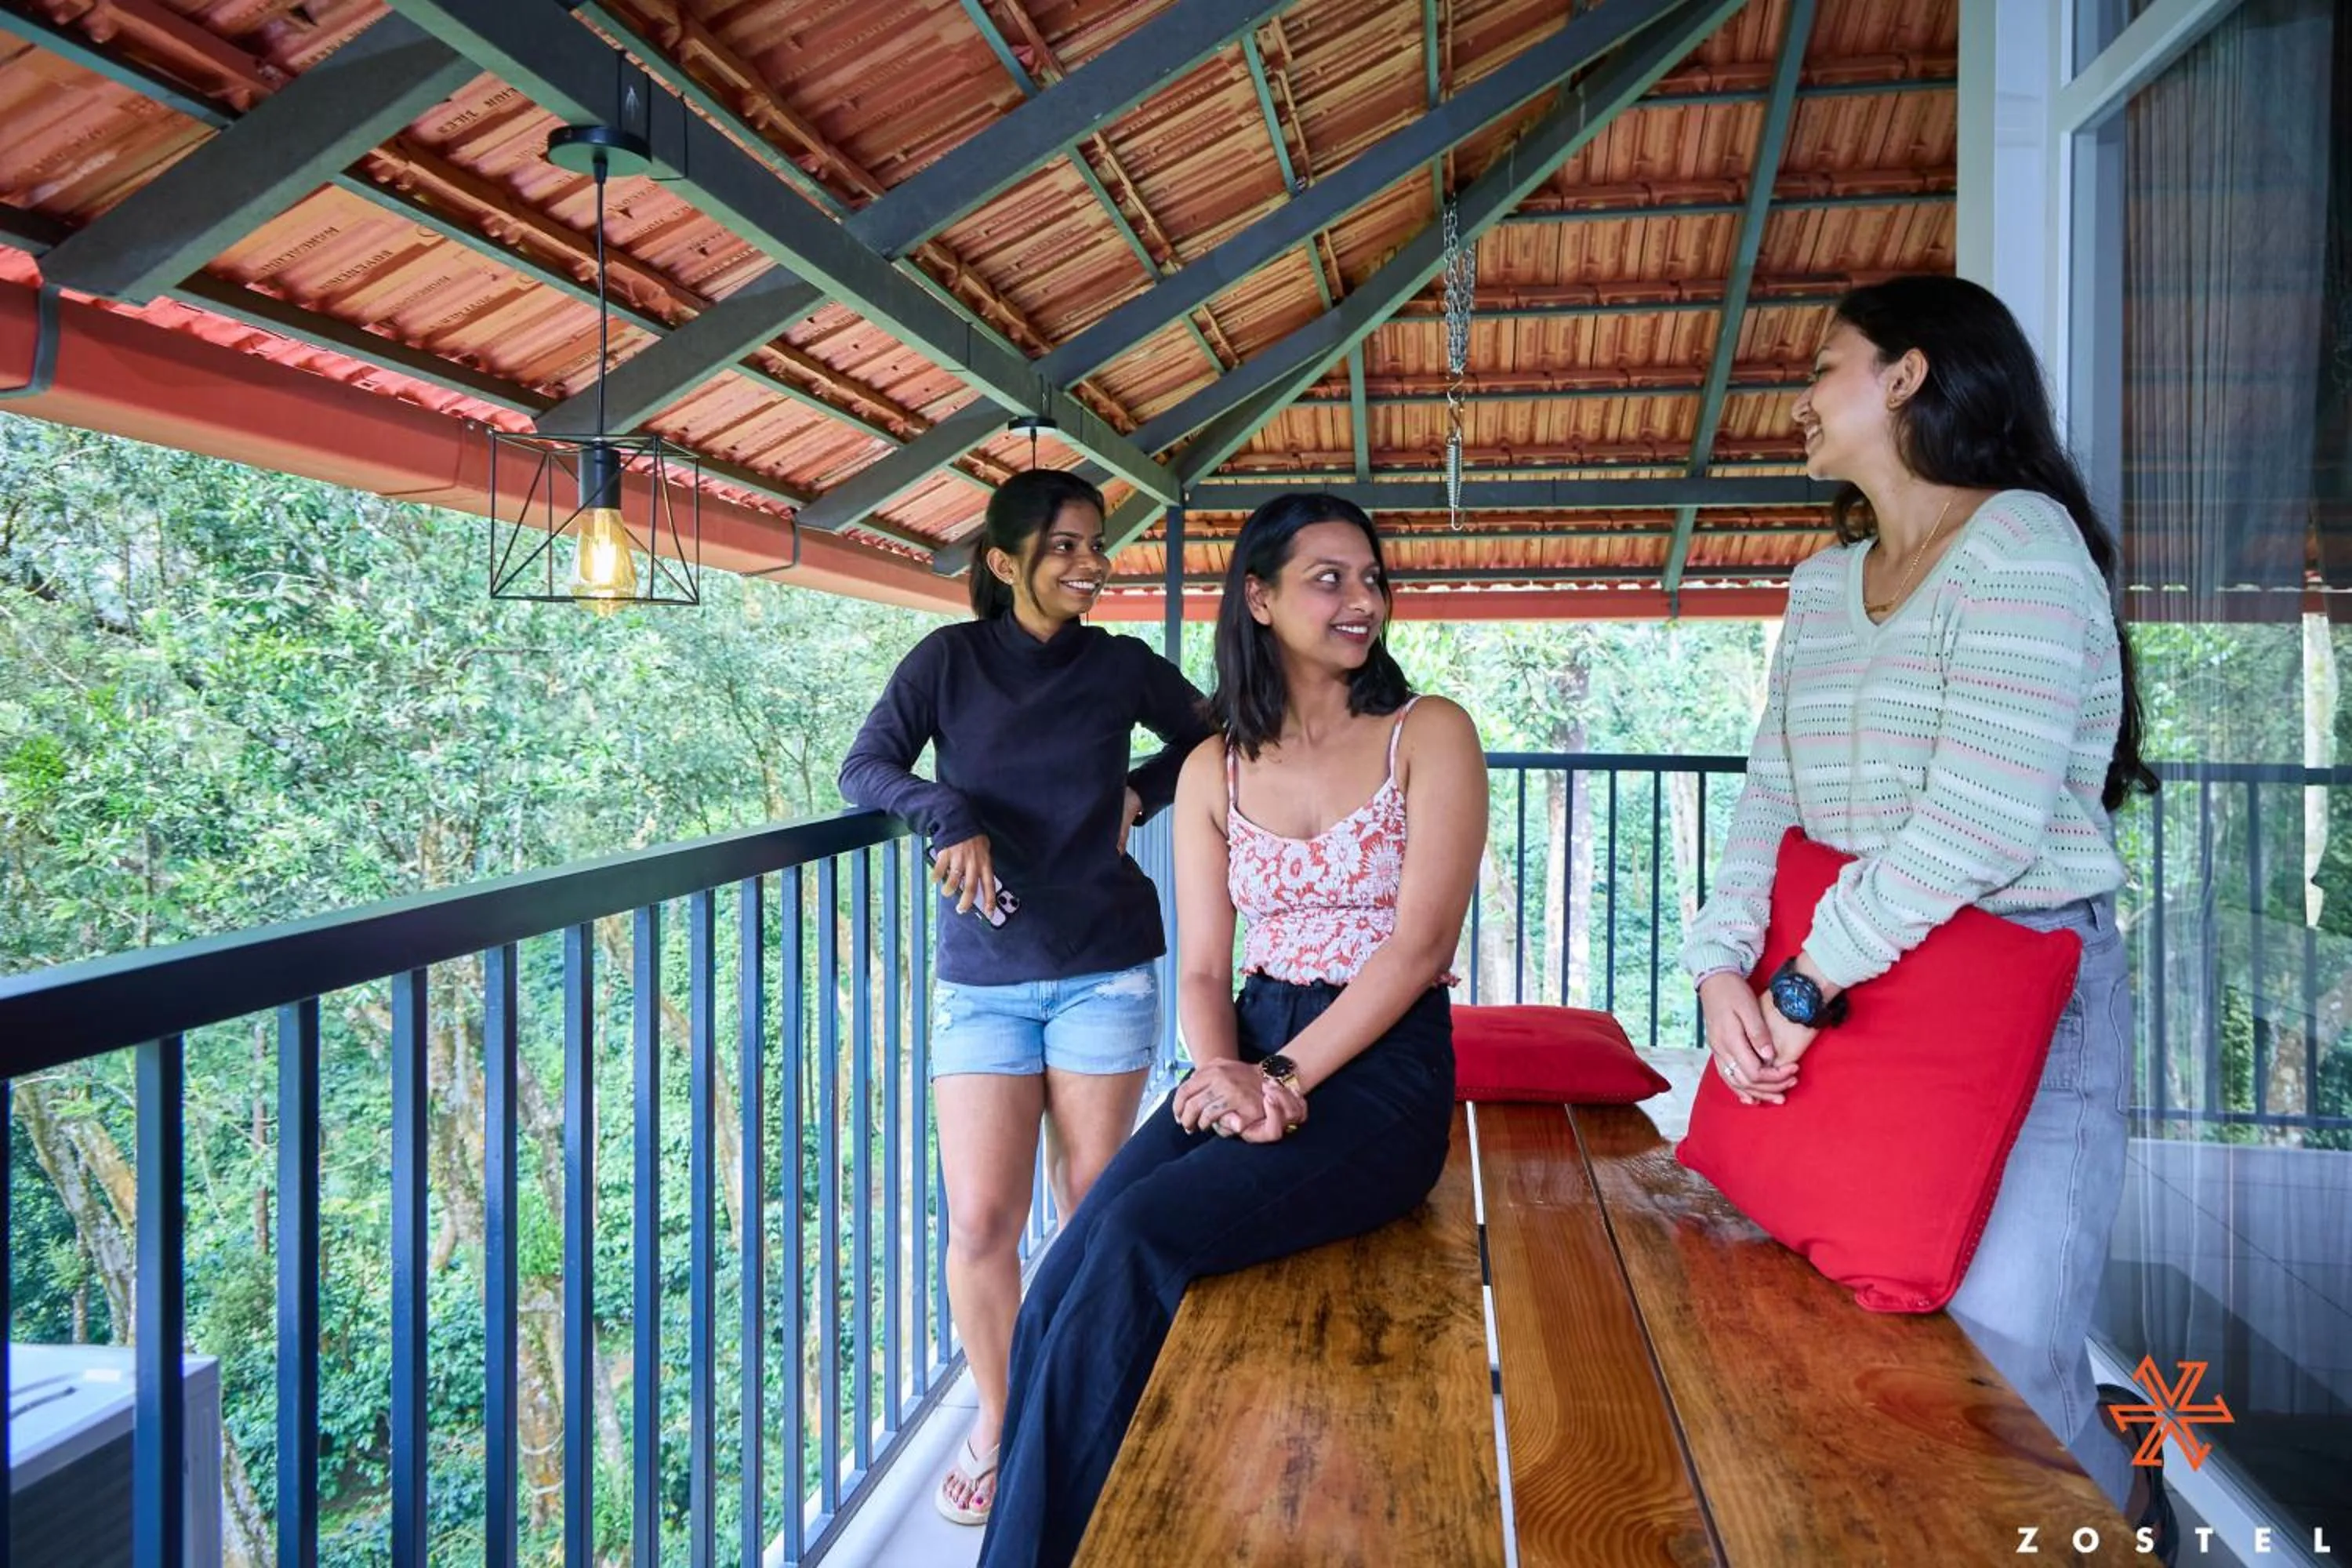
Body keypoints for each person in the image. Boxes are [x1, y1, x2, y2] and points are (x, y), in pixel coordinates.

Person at [1679, 275, 2172, 1556]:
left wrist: (1799, 984)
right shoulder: (1820, 583)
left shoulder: (2021, 544)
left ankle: (2114, 1524)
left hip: (2017, 991)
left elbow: (1981, 826)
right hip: (1849, 989)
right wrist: (1724, 967)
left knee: (2006, 1348)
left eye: (1825, 366)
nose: (1800, 397)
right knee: (1847, 1311)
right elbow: (1767, 804)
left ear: (1906, 377)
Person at [975, 492, 1488, 1568]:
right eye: (1329, 579)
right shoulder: (1217, 766)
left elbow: (1415, 948)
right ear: (1257, 598)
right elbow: (1206, 966)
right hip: (1249, 1044)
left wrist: (1282, 1075)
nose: (1361, 600)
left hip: (1380, 1069)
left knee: (1132, 1240)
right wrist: (1226, 1073)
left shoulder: (1426, 734)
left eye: (1371, 577)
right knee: (1061, 1276)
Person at [837, 466, 1214, 1526]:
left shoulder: (1122, 665)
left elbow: (1210, 734)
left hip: (1104, 964)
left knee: (1095, 1204)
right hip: (986, 979)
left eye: (1097, 546)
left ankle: (1087, 1400)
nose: (1093, 565)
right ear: (1006, 565)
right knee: (982, 1220)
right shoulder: (947, 662)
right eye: (1067, 548)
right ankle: (1004, 1419)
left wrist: (1141, 790)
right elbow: (864, 766)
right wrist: (943, 808)